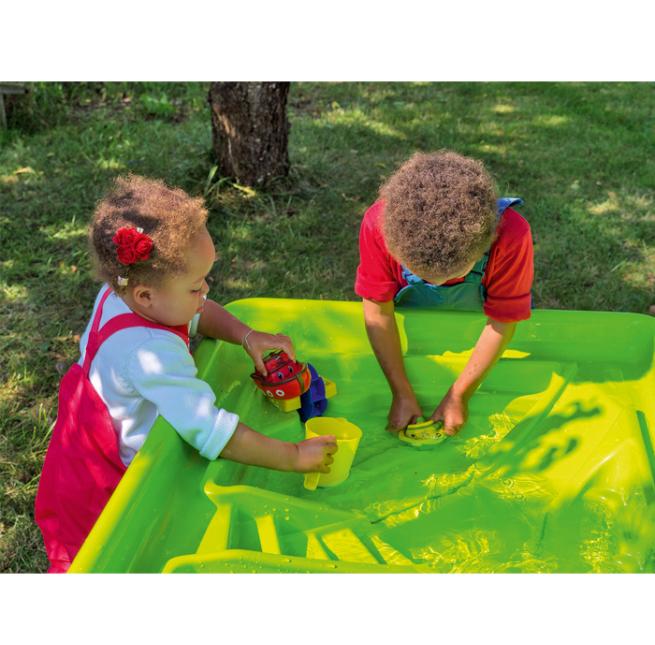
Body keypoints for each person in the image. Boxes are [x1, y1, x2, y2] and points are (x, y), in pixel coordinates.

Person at [35, 175, 336, 572]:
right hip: (106, 481)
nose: (206, 291)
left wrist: (246, 336)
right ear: (146, 295)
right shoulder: (151, 352)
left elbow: (196, 315)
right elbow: (213, 432)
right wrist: (293, 456)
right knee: (109, 563)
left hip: (80, 440)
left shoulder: (123, 292)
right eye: (195, 287)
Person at [354, 150, 534, 436]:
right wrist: (401, 391)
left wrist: (460, 394)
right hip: (412, 338)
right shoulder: (379, 224)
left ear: (485, 243)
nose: (437, 285)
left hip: (477, 336)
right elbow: (377, 312)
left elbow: (502, 320)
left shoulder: (512, 234)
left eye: (453, 276)